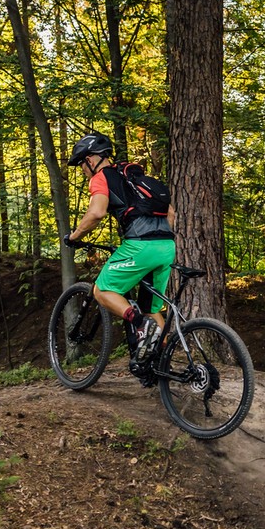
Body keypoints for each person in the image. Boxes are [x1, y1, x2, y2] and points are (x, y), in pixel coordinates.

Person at [64, 132, 175, 362]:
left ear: (91, 159)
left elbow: (96, 213)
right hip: (166, 246)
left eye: (82, 164)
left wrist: (75, 236)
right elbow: (171, 213)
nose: (82, 170)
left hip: (140, 246)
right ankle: (161, 364)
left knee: (101, 290)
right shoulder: (133, 179)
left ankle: (140, 324)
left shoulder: (102, 177)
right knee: (151, 308)